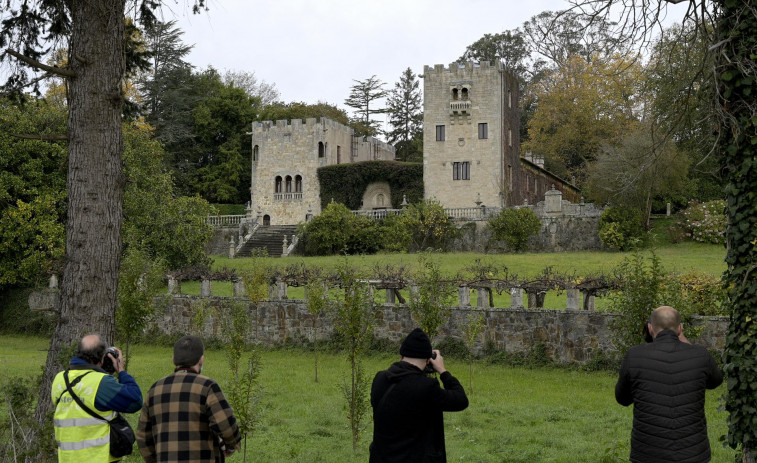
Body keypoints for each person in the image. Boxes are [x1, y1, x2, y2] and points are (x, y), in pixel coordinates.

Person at [615, 306, 723, 463]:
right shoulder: (700, 355)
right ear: (680, 328)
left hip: (648, 453)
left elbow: (622, 399)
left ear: (650, 328)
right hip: (693, 453)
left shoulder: (634, 355)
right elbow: (716, 381)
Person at [369, 328, 469, 463]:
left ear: (402, 356)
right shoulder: (427, 387)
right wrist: (443, 371)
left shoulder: (380, 379)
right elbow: (461, 400)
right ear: (428, 360)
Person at [137, 335, 241, 463]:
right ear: (201, 360)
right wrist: (231, 445)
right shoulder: (207, 386)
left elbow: (143, 436)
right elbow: (227, 426)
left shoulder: (154, 390)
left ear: (173, 359)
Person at [51, 334, 143, 462]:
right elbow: (135, 400)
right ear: (102, 357)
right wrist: (121, 370)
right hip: (97, 458)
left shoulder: (59, 379)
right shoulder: (101, 382)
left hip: (67, 459)